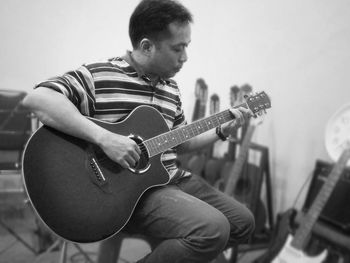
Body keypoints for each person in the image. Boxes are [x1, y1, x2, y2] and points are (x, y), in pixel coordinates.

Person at [22, 0, 255, 262]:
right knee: (213, 229)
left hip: (169, 178)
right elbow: (38, 100)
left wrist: (221, 132)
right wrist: (105, 138)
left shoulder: (171, 89)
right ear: (146, 46)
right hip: (127, 193)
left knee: (243, 222)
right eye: (178, 48)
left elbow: (179, 142)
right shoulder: (99, 75)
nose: (185, 57)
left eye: (187, 47)